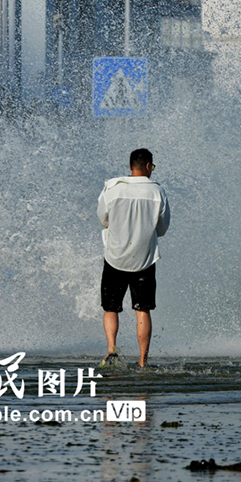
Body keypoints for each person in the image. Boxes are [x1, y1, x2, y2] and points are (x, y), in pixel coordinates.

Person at [97, 148, 170, 367]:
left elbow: (103, 220)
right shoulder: (157, 192)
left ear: (131, 167)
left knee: (110, 307)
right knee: (142, 308)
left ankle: (111, 350)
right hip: (144, 259)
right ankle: (142, 360)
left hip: (115, 257)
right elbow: (163, 228)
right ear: (148, 166)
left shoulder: (112, 189)